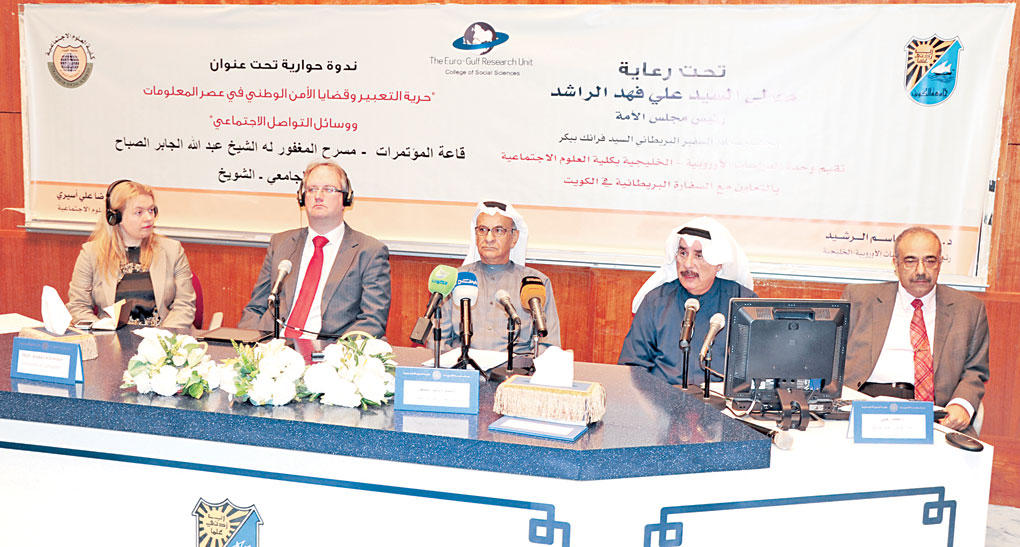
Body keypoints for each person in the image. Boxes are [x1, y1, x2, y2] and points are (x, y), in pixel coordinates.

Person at [843, 227, 989, 432]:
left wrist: (961, 404)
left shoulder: (969, 309)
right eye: (910, 261)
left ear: (940, 263)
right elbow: (833, 358)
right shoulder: (859, 299)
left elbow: (975, 371)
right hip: (865, 402)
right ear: (896, 264)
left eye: (930, 261)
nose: (921, 271)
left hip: (934, 412)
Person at [239, 160, 390, 339]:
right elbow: (256, 308)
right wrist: (249, 345)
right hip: (273, 345)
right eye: (311, 189)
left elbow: (372, 320)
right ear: (302, 198)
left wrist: (336, 352)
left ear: (345, 198)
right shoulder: (281, 244)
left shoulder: (369, 252)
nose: (318, 196)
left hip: (328, 349)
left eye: (328, 189)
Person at [618, 217, 756, 385]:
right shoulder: (655, 302)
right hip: (662, 397)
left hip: (721, 400)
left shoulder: (743, 304)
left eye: (699, 255)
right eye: (683, 253)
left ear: (718, 264)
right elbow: (632, 366)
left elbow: (758, 369)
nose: (688, 264)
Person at [67, 179, 196, 329]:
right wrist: (102, 331)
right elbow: (78, 306)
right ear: (116, 217)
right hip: (110, 338)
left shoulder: (172, 250)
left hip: (161, 337)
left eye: (151, 210)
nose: (149, 218)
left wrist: (162, 336)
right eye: (139, 212)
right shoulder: (91, 254)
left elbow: (185, 305)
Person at [438, 201, 560, 354]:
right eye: (482, 230)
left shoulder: (535, 283)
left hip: (517, 367)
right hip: (463, 365)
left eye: (498, 230)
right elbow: (437, 342)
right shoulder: (454, 280)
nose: (489, 238)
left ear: (514, 237)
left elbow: (548, 345)